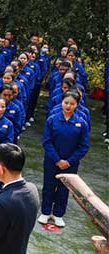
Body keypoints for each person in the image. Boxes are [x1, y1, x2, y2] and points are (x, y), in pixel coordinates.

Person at [39, 90, 90, 228]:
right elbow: (47, 142)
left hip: (70, 164)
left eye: (72, 104)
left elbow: (83, 146)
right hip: (52, 160)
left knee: (64, 189)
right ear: (61, 102)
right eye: (66, 102)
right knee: (49, 186)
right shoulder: (52, 119)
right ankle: (45, 212)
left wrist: (69, 161)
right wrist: (57, 159)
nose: (68, 106)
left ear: (77, 105)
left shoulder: (81, 123)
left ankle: (58, 214)